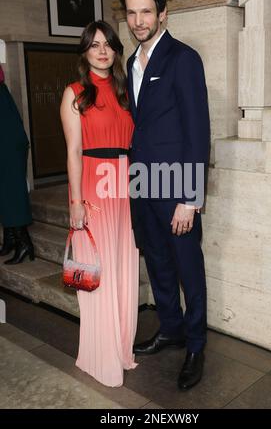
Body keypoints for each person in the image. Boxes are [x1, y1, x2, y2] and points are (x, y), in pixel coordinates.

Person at [119, 0, 210, 391]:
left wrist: (190, 199)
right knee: (156, 263)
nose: (138, 20)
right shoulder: (130, 63)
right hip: (142, 185)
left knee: (188, 268)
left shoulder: (183, 58)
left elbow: (197, 131)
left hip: (176, 189)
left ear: (162, 14)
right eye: (132, 12)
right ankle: (170, 329)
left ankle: (195, 345)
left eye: (146, 11)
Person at [60, 20, 139, 387]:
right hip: (93, 185)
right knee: (100, 270)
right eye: (94, 45)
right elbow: (73, 152)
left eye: (108, 44)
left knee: (123, 268)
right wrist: (76, 201)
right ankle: (99, 355)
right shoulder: (75, 93)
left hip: (125, 186)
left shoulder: (127, 92)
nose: (103, 50)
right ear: (85, 51)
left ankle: (121, 348)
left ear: (116, 50)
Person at [0, 64, 35, 265]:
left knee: (11, 190)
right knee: (6, 190)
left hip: (7, 138)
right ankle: (11, 238)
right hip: (7, 134)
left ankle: (24, 243)